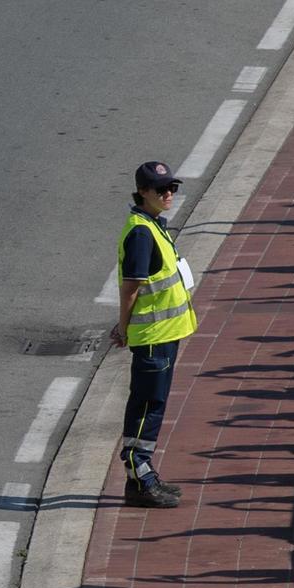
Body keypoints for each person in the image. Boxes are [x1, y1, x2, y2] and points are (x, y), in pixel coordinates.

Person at [110, 161, 198, 509]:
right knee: (147, 407)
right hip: (152, 336)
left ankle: (143, 479)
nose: (168, 194)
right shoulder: (141, 233)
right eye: (160, 189)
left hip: (165, 333)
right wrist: (123, 327)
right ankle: (139, 473)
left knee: (154, 405)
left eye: (172, 188)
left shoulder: (152, 225)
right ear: (142, 192)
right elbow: (131, 287)